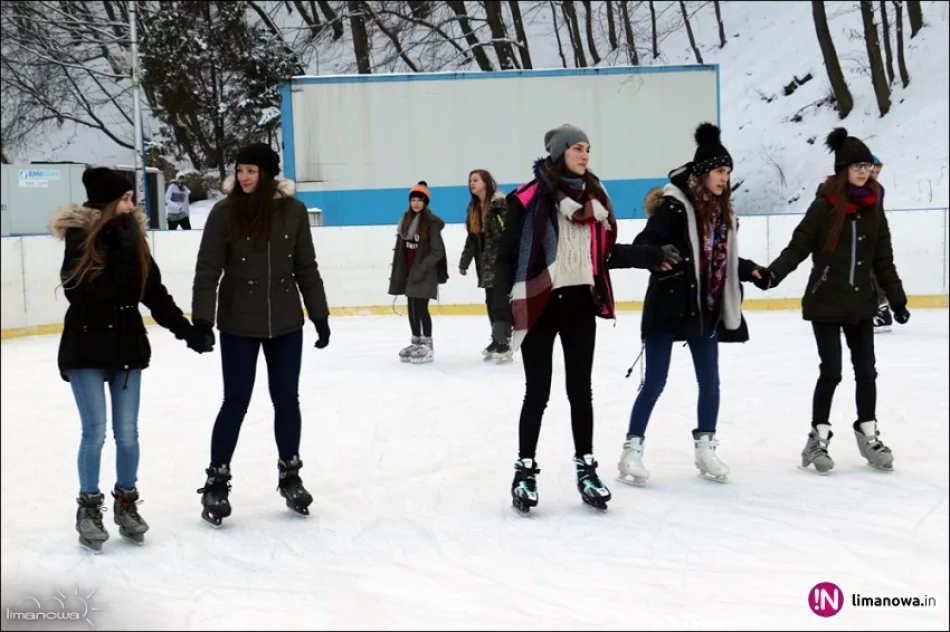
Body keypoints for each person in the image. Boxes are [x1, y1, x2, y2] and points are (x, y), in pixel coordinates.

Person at [51, 167, 212, 551]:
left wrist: (186, 331)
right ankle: (88, 509)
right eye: (125, 199)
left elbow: (153, 293)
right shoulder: (79, 238)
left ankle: (126, 504)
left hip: (125, 348)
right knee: (95, 432)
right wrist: (120, 251)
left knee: (128, 433)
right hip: (87, 349)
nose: (132, 205)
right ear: (107, 203)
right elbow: (89, 293)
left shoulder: (132, 239)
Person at [611, 123, 772, 486]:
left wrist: (751, 271)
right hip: (668, 305)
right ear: (701, 173)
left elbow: (722, 257)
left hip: (705, 306)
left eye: (728, 172)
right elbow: (645, 242)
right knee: (654, 381)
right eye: (719, 171)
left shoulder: (722, 211)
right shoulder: (674, 207)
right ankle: (631, 451)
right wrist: (658, 254)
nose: (724, 178)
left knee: (711, 382)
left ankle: (705, 448)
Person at [491, 123, 637, 514]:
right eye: (576, 147)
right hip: (540, 303)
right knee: (537, 392)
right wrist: (502, 314)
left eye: (588, 147)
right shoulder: (528, 199)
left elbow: (604, 255)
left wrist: (651, 257)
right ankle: (524, 470)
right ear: (558, 152)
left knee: (580, 392)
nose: (585, 154)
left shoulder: (597, 198)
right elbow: (505, 257)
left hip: (578, 304)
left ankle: (586, 468)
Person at [191, 142, 331, 525]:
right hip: (238, 323)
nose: (244, 177)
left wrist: (319, 315)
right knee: (235, 401)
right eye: (240, 170)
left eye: (251, 170)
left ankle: (291, 474)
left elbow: (307, 267)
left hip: (286, 322)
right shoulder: (224, 213)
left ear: (268, 174)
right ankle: (217, 480)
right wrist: (202, 322)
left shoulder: (294, 212)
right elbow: (207, 271)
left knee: (286, 399)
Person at [765, 128, 909, 475]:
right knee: (831, 371)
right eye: (856, 166)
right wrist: (772, 275)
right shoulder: (824, 205)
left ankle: (868, 432)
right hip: (826, 301)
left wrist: (897, 298)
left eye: (866, 165)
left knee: (867, 372)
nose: (863, 171)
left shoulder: (874, 207)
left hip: (861, 303)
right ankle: (818, 438)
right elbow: (799, 246)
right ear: (842, 169)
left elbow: (883, 259)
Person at [389, 181, 448, 364]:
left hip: (424, 271)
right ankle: (416, 341)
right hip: (408, 270)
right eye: (413, 200)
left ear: (425, 203)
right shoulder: (405, 220)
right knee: (412, 307)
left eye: (419, 200)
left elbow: (436, 251)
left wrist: (422, 267)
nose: (416, 203)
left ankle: (428, 345)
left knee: (421, 308)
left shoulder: (431, 223)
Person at [458, 169, 510, 362]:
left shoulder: (499, 204)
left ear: (486, 183)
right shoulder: (473, 209)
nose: (472, 183)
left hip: (501, 261)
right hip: (484, 263)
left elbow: (511, 230)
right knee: (490, 301)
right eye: (470, 180)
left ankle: (504, 341)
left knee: (500, 301)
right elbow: (472, 239)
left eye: (475, 180)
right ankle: (497, 339)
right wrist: (465, 262)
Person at [869, 155, 893, 333]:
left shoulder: (877, 190)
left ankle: (882, 311)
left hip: (872, 238)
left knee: (873, 273)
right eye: (873, 172)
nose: (875, 175)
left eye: (877, 172)